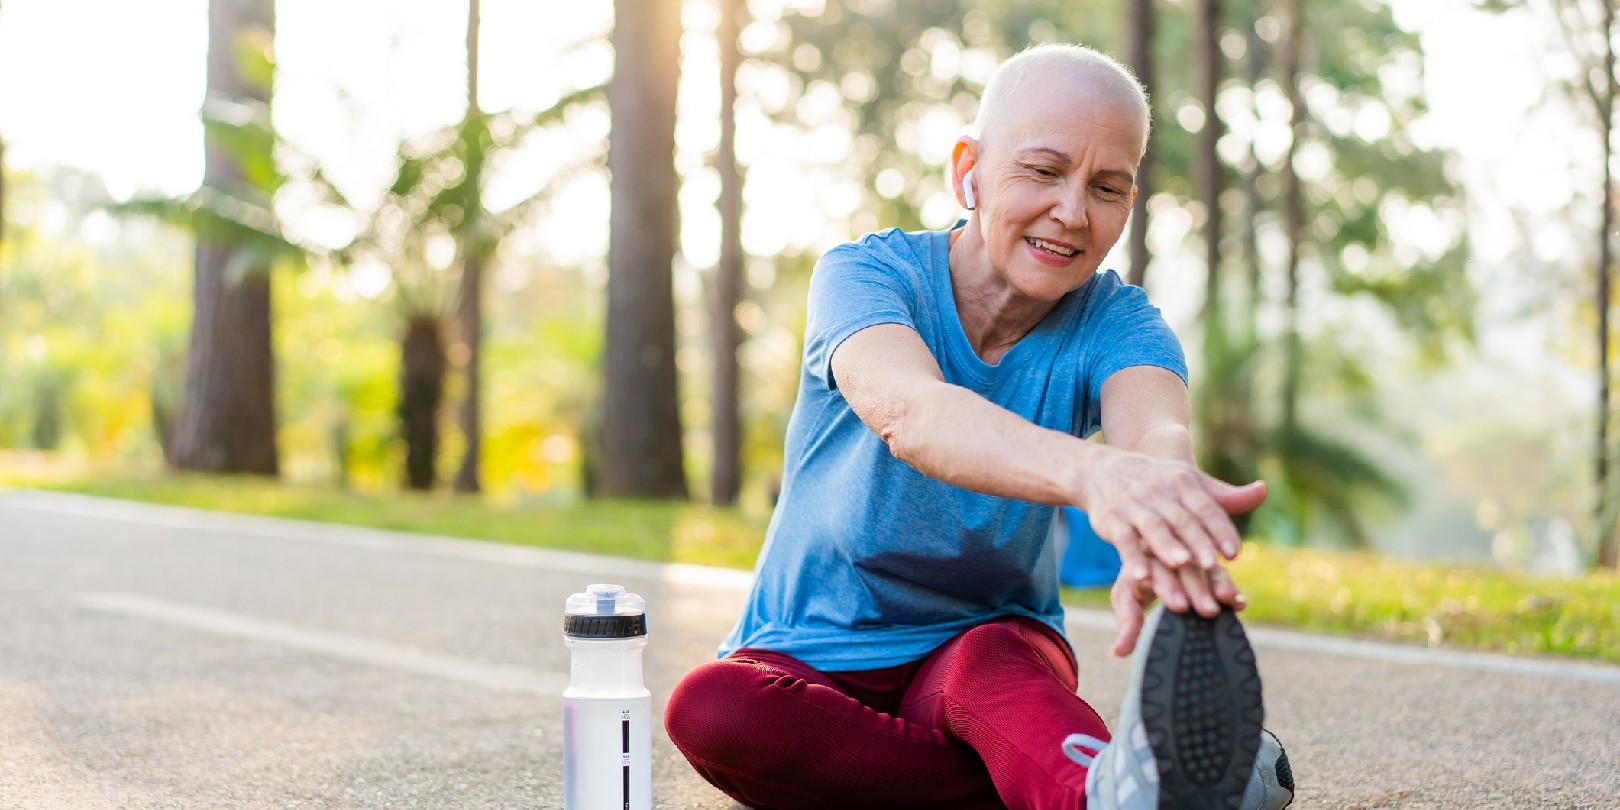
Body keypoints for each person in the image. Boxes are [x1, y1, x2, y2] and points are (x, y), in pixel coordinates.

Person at [665, 43, 1294, 810]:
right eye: (1043, 170)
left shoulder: (1120, 322)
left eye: (1107, 187)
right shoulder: (869, 276)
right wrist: (1095, 476)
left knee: (992, 664)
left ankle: (1107, 796)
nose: (1072, 211)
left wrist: (1165, 502)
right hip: (811, 657)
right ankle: (1108, 791)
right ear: (968, 169)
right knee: (714, 708)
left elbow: (1155, 433)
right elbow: (913, 414)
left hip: (986, 648)